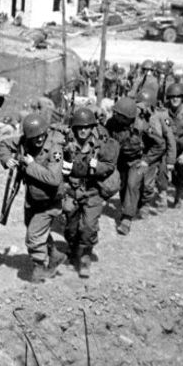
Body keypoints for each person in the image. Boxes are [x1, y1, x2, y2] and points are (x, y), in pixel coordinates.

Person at [0, 113, 65, 283]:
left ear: (46, 132)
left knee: (34, 236)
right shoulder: (25, 140)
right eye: (34, 137)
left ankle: (39, 268)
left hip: (50, 201)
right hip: (33, 198)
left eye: (41, 135)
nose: (38, 140)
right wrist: (7, 160)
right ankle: (54, 255)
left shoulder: (55, 149)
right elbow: (4, 143)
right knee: (34, 229)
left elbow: (54, 178)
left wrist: (30, 165)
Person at [61, 107, 119, 278]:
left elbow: (109, 165)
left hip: (93, 191)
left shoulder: (101, 143)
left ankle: (86, 255)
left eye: (87, 127)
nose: (83, 130)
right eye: (79, 127)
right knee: (71, 228)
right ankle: (73, 249)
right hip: (72, 191)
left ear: (92, 127)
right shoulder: (67, 143)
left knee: (89, 227)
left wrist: (96, 167)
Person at [108, 96, 165, 235]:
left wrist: (146, 160)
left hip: (138, 161)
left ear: (128, 118)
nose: (115, 117)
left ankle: (127, 219)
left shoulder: (142, 126)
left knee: (132, 184)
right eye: (115, 114)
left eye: (120, 115)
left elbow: (160, 144)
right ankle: (129, 206)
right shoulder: (111, 123)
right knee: (122, 185)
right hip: (121, 160)